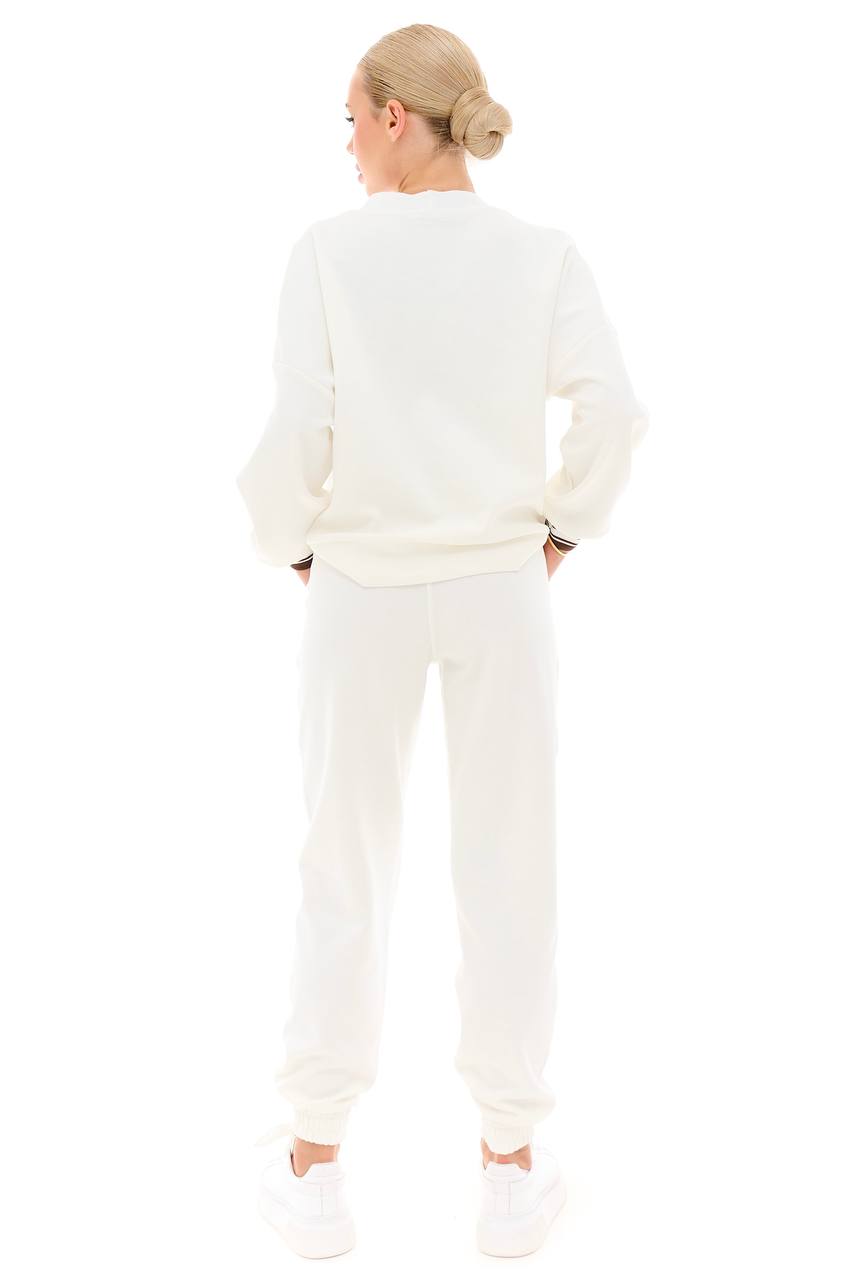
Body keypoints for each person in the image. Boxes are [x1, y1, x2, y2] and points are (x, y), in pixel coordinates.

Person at [237, 23, 649, 1260]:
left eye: (351, 120)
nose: (346, 147)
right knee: (510, 862)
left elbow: (293, 430)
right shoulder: (540, 255)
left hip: (359, 587)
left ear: (394, 117)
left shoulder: (327, 254)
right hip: (497, 589)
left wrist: (290, 542)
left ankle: (314, 1163)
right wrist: (561, 527)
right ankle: (509, 1167)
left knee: (341, 862)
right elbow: (614, 410)